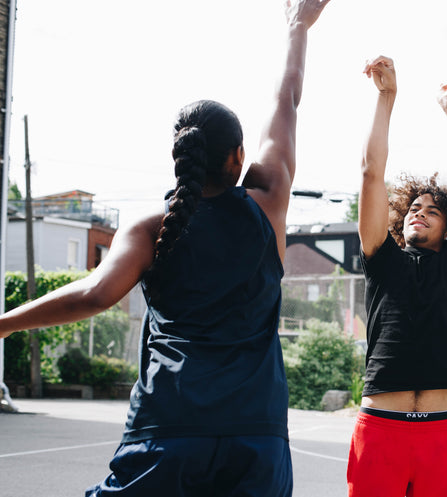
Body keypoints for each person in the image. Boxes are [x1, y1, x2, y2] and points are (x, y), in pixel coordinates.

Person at [0, 1, 331, 495]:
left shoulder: (151, 227)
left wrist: (2, 324)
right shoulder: (268, 203)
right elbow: (286, 101)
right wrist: (297, 27)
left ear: (180, 157)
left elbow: (93, 294)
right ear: (238, 157)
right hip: (254, 434)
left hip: (168, 426)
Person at [346, 56, 447, 497]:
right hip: (380, 430)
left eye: (432, 210)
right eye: (413, 208)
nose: (419, 212)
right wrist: (386, 97)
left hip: (441, 434)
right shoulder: (381, 256)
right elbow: (372, 171)